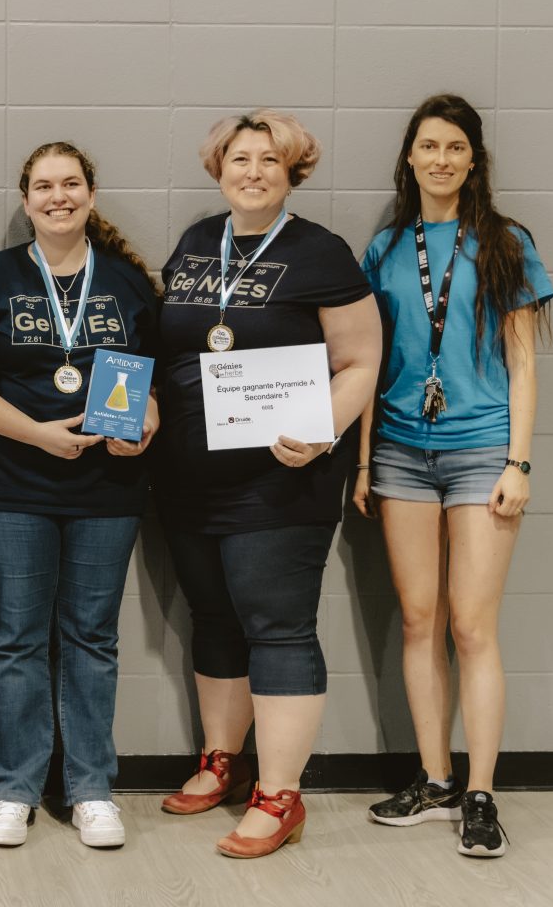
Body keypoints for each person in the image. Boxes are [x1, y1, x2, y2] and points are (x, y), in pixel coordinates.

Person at [154, 110, 381, 858]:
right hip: (190, 478)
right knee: (214, 618)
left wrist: (325, 429)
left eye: (269, 162)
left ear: (292, 174)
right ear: (219, 166)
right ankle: (221, 760)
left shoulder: (321, 252)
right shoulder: (195, 242)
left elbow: (359, 363)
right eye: (240, 158)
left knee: (276, 626)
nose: (252, 172)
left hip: (281, 482)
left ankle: (279, 794)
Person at [353, 94, 553, 858]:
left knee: (472, 627)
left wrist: (519, 463)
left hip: (480, 452)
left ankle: (480, 793)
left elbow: (524, 362)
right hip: (402, 451)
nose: (441, 159)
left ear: (474, 161)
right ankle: (434, 780)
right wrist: (368, 460)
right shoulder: (386, 249)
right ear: (410, 157)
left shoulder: (505, 243)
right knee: (418, 621)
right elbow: (368, 367)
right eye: (428, 146)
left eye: (455, 148)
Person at [0, 142, 159, 850]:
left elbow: (154, 384)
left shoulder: (127, 283)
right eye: (43, 185)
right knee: (15, 640)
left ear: (91, 195)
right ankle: (14, 789)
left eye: (71, 184)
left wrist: (144, 426)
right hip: (14, 486)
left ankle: (92, 787)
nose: (57, 196)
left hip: (107, 489)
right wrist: (37, 435)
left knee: (92, 638)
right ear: (26, 198)